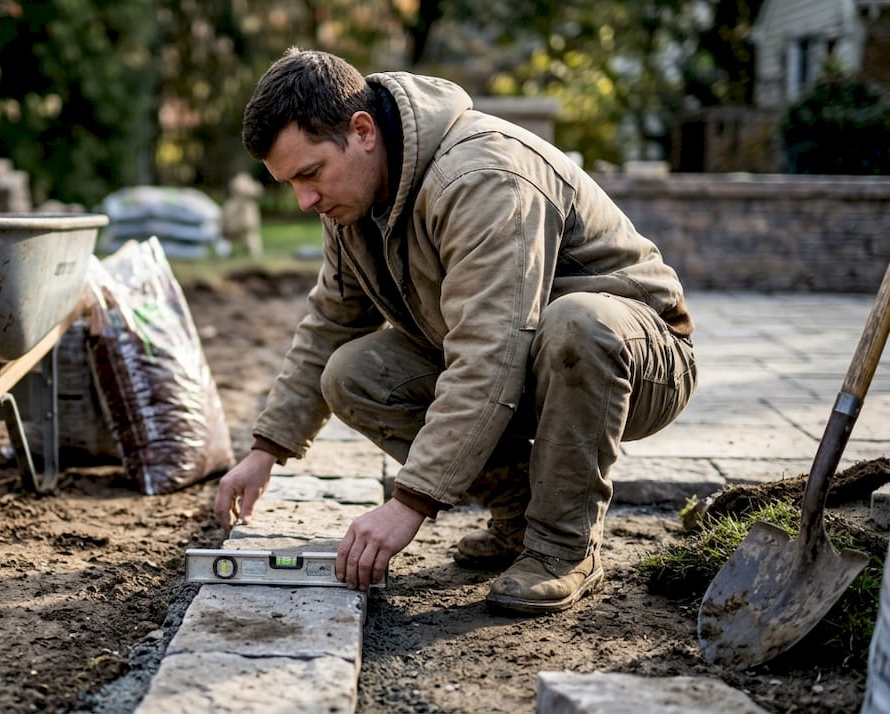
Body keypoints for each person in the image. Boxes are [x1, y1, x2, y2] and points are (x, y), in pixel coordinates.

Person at [212, 48, 698, 615]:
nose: (305, 201)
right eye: (290, 183)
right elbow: (328, 324)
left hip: (638, 359)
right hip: (527, 356)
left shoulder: (481, 177)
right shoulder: (353, 205)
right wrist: (265, 449)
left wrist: (409, 501)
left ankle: (563, 546)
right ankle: (518, 518)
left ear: (362, 131)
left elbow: (490, 352)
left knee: (576, 325)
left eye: (310, 174)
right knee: (351, 373)